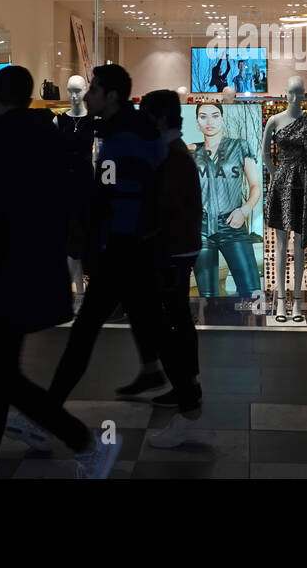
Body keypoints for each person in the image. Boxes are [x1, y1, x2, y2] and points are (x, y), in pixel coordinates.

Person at [0, 66, 120, 479]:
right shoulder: (51, 139)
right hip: (37, 268)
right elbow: (77, 197)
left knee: (0, 376)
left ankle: (83, 444)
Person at [49, 64, 168, 403]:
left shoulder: (126, 135)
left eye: (94, 90)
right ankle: (157, 374)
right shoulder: (128, 129)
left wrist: (102, 242)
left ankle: (50, 407)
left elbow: (122, 193)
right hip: (132, 244)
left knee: (85, 328)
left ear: (111, 96)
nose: (87, 96)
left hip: (123, 246)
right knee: (144, 315)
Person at [137, 90, 205, 448]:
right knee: (175, 317)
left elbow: (168, 208)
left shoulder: (172, 156)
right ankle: (186, 386)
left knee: (168, 320)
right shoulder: (174, 153)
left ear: (160, 118)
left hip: (174, 249)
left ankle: (187, 399)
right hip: (178, 246)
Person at [189, 102, 262, 299]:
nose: (209, 121)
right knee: (208, 295)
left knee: (252, 292)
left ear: (222, 118)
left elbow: (255, 186)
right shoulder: (191, 151)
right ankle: (212, 329)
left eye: (214, 115)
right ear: (197, 122)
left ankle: (254, 329)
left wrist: (244, 211)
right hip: (201, 229)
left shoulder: (240, 146)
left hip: (233, 225)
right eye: (203, 116)